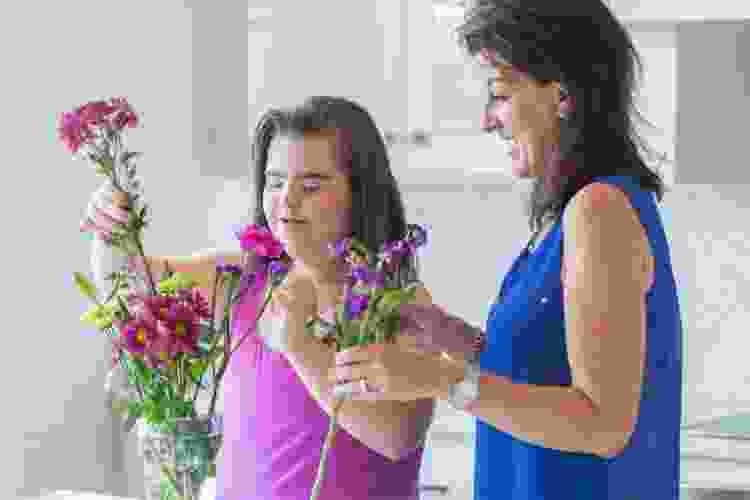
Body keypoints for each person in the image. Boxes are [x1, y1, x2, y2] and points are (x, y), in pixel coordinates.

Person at [331, 1, 683, 499]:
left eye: (499, 94)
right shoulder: (563, 221)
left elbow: (603, 424)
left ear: (562, 93)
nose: (487, 120)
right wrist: (453, 337)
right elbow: (548, 369)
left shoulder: (599, 211)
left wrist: (440, 376)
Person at [85, 96, 445, 499]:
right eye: (275, 182)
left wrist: (300, 346)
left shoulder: (397, 300)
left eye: (310, 185)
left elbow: (397, 437)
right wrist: (109, 226)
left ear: (360, 192)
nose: (286, 201)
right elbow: (128, 286)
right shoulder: (242, 279)